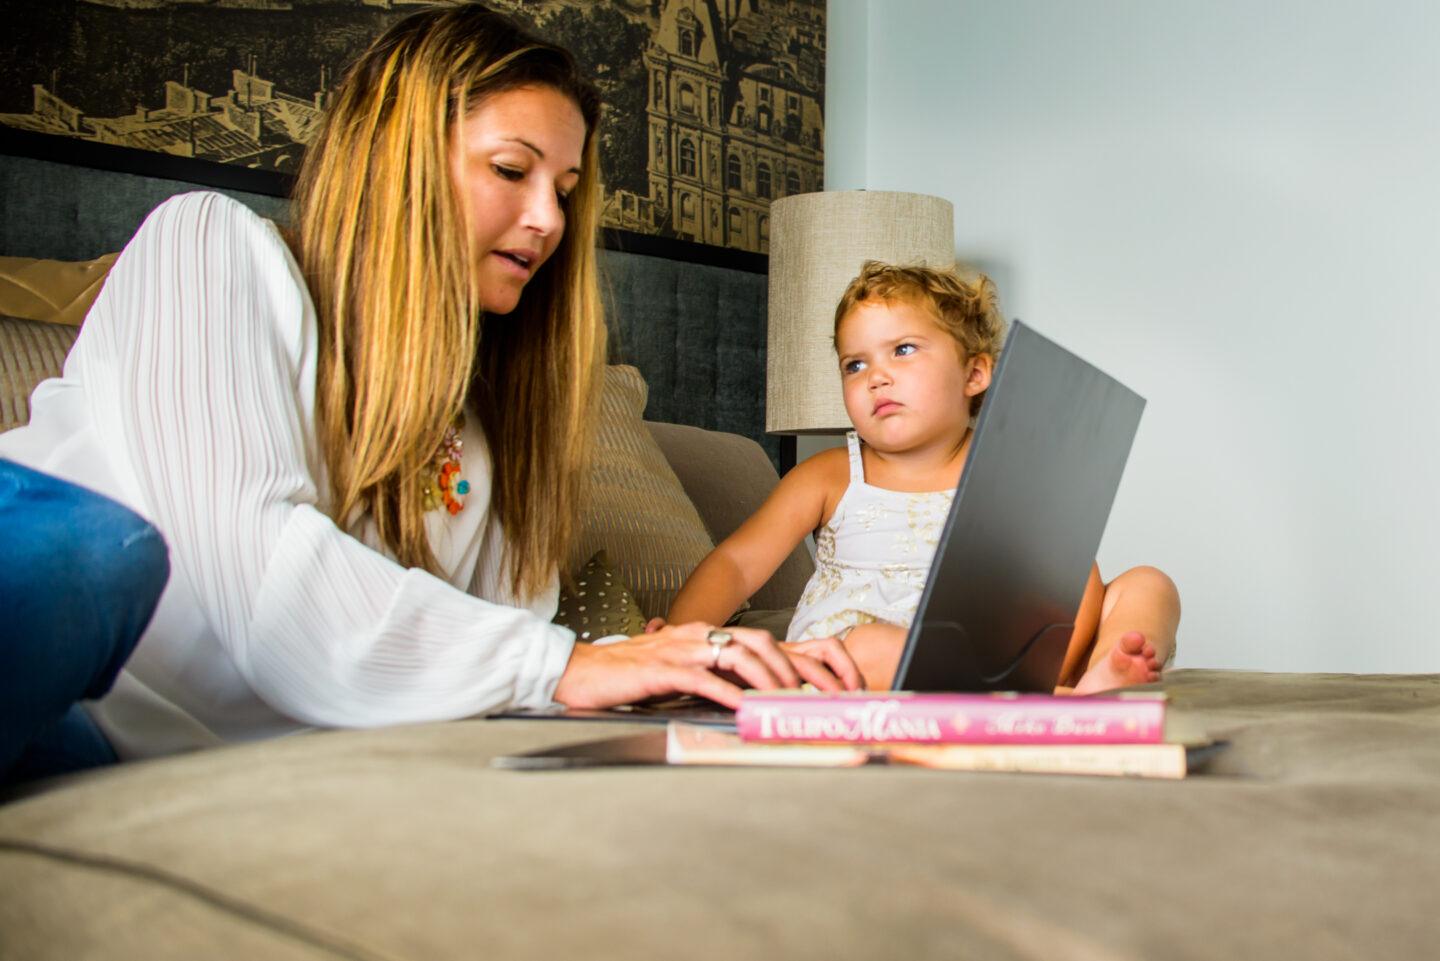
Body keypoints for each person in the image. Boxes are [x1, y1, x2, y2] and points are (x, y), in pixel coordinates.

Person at [0, 3, 858, 786]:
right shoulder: (211, 250)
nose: (550, 222)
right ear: (399, 156)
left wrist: (658, 665)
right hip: (76, 693)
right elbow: (267, 583)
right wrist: (561, 665)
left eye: (562, 192)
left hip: (167, 760)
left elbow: (487, 655)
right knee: (85, 551)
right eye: (511, 170)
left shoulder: (482, 430)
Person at [656, 261, 1180, 693]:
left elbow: (1073, 585)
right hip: (856, 664)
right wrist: (682, 642)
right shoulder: (832, 474)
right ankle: (1037, 703)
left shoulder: (1005, 472)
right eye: (854, 365)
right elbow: (738, 565)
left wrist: (1058, 666)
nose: (876, 376)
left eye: (903, 350)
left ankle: (1098, 684)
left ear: (975, 374)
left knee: (1149, 586)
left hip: (995, 656)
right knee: (867, 647)